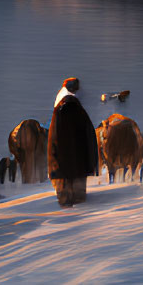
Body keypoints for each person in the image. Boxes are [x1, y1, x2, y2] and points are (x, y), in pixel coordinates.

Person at [47, 76, 98, 206]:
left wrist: (53, 165)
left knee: (65, 204)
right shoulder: (79, 111)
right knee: (80, 203)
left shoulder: (58, 111)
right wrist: (91, 163)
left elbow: (53, 142)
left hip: (62, 165)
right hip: (79, 164)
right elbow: (90, 137)